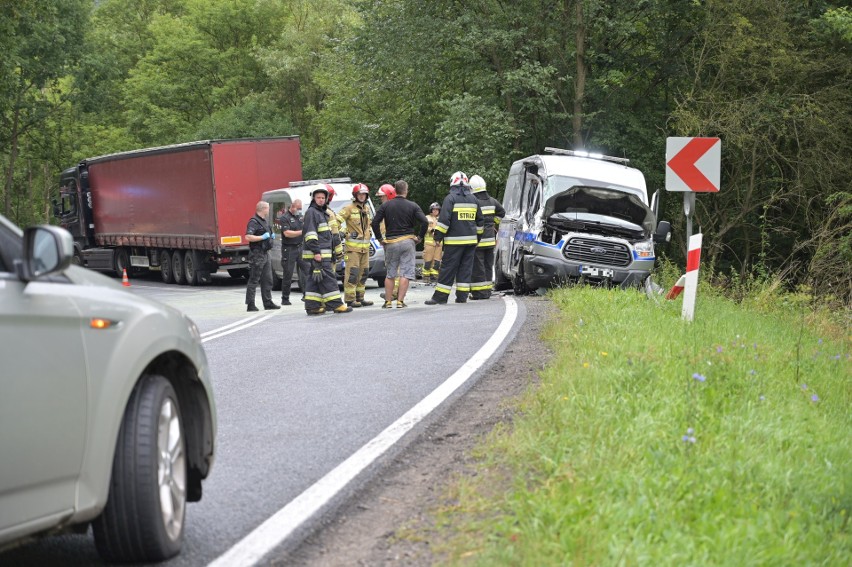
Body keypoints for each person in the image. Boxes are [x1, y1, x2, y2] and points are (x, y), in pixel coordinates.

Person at [425, 172, 483, 305]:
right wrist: (477, 238)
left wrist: (438, 237)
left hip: (454, 242)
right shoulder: (474, 199)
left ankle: (440, 297)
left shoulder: (450, 199)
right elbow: (480, 221)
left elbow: (444, 220)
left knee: (448, 269)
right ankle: (462, 297)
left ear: (452, 183)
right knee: (465, 269)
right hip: (470, 243)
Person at [371, 179, 428, 309]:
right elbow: (424, 221)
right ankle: (400, 301)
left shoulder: (386, 206)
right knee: (405, 273)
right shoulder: (413, 205)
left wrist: (380, 238)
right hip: (408, 241)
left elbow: (374, 223)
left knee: (390, 273)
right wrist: (419, 237)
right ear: (406, 191)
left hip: (391, 242)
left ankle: (388, 302)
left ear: (394, 191)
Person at [302, 186, 352, 315]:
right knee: (329, 278)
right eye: (318, 197)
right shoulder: (312, 212)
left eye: (323, 198)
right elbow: (310, 234)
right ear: (313, 198)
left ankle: (312, 307)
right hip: (319, 254)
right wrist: (317, 252)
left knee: (315, 279)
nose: (321, 200)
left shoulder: (321, 212)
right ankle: (337, 305)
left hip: (323, 253)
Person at [336, 183, 375, 307]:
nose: (362, 196)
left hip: (365, 249)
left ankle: (360, 298)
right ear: (355, 195)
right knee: (352, 274)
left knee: (364, 274)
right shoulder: (348, 208)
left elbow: (368, 225)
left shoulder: (367, 209)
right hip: (352, 250)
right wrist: (345, 233)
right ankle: (350, 299)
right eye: (360, 194)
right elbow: (335, 222)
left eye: (364, 194)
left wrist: (370, 231)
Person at [468, 175, 506, 299]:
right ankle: (487, 291)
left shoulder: (472, 201)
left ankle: (479, 293)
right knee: (488, 266)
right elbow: (502, 213)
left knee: (478, 267)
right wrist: (493, 222)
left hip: (477, 241)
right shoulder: (493, 201)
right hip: (490, 241)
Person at [244, 201, 280, 312]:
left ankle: (268, 302)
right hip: (257, 253)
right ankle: (250, 304)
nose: (268, 211)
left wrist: (270, 237)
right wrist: (262, 237)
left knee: (267, 279)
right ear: (263, 209)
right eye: (268, 208)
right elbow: (248, 237)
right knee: (254, 279)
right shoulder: (254, 222)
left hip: (265, 253)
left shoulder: (264, 222)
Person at [277, 199, 307, 305]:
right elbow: (287, 233)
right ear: (292, 207)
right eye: (297, 208)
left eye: (300, 209)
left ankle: (306, 295)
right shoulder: (285, 218)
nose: (299, 210)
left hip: (300, 247)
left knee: (306, 271)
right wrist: (302, 232)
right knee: (288, 273)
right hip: (289, 249)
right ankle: (285, 298)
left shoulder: (300, 217)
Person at [422, 201, 443, 285]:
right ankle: (426, 276)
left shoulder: (441, 219)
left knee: (437, 261)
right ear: (431, 210)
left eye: (437, 210)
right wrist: (431, 230)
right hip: (429, 243)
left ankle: (434, 276)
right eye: (434, 210)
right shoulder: (427, 218)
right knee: (428, 261)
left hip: (439, 244)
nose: (435, 211)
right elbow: (424, 227)